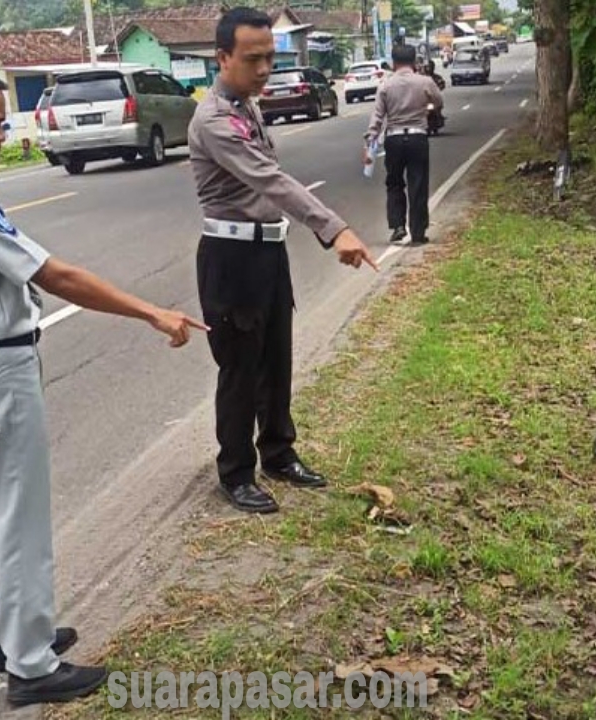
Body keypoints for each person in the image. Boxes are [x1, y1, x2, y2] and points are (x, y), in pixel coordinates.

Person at [0, 61, 206, 707]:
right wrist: (151, 311)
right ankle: (32, 666)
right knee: (19, 521)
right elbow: (56, 276)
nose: (5, 134)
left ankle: (6, 634)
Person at [189, 7, 379, 515]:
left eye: (270, 57)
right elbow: (270, 180)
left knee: (276, 357)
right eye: (253, 59)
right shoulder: (213, 120)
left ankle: (278, 452)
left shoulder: (246, 105)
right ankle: (235, 472)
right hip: (231, 257)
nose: (265, 69)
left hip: (267, 250)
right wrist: (333, 227)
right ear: (222, 57)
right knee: (240, 367)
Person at [364, 44, 444, 245]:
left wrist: (370, 145)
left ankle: (398, 226)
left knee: (394, 183)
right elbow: (439, 102)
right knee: (418, 184)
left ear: (393, 63)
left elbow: (377, 118)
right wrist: (427, 108)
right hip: (418, 137)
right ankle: (418, 232)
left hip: (394, 139)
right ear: (414, 61)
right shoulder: (425, 82)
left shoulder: (385, 86)